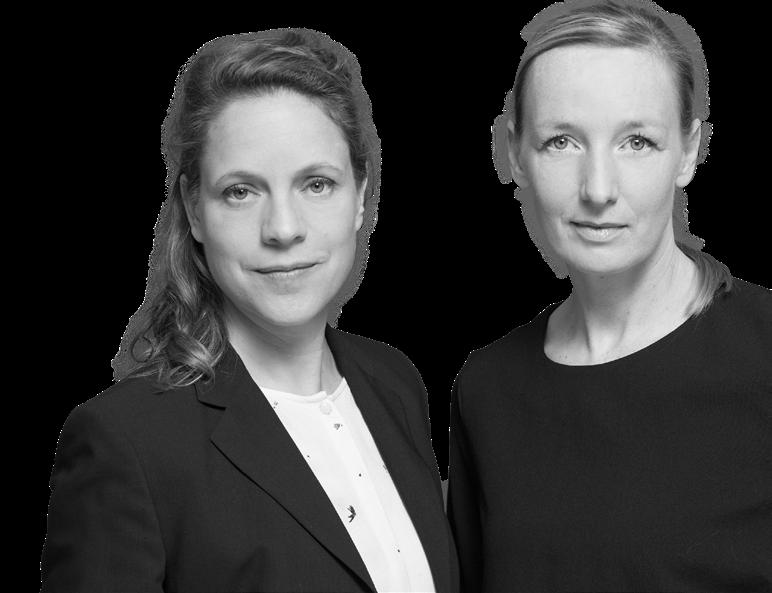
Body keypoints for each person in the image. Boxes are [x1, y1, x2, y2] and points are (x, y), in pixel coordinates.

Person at [41, 29, 458, 593]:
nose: (283, 228)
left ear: (360, 196)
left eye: (317, 184)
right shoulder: (126, 442)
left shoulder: (395, 382)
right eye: (241, 191)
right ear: (194, 209)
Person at [447, 1, 772, 591]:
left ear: (689, 150)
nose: (598, 189)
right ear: (517, 153)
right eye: (562, 142)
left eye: (637, 142)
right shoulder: (486, 388)